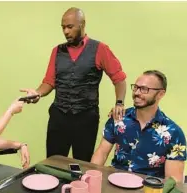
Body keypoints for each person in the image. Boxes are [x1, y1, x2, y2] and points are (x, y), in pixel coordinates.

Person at [20, 7, 127, 162]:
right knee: (53, 162)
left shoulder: (100, 49)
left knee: (82, 163)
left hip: (86, 117)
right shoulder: (57, 51)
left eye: (70, 27)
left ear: (82, 25)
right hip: (59, 115)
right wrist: (38, 93)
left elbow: (119, 79)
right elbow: (49, 81)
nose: (66, 31)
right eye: (63, 27)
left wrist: (119, 103)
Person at [91, 70, 186, 183]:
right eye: (135, 87)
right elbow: (101, 153)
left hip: (149, 188)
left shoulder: (174, 133)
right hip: (114, 183)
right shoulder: (118, 119)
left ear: (161, 94)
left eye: (144, 89)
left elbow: (172, 181)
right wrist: (91, 179)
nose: (137, 92)